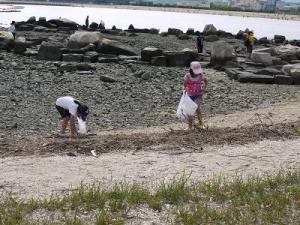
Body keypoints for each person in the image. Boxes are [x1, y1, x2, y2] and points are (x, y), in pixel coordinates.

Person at [184, 61, 208, 130]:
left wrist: (205, 88)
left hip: (198, 94)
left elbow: (206, 80)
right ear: (191, 70)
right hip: (190, 95)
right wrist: (185, 89)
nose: (197, 72)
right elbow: (185, 84)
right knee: (190, 110)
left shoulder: (201, 75)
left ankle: (201, 123)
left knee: (197, 108)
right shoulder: (187, 76)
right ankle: (190, 126)